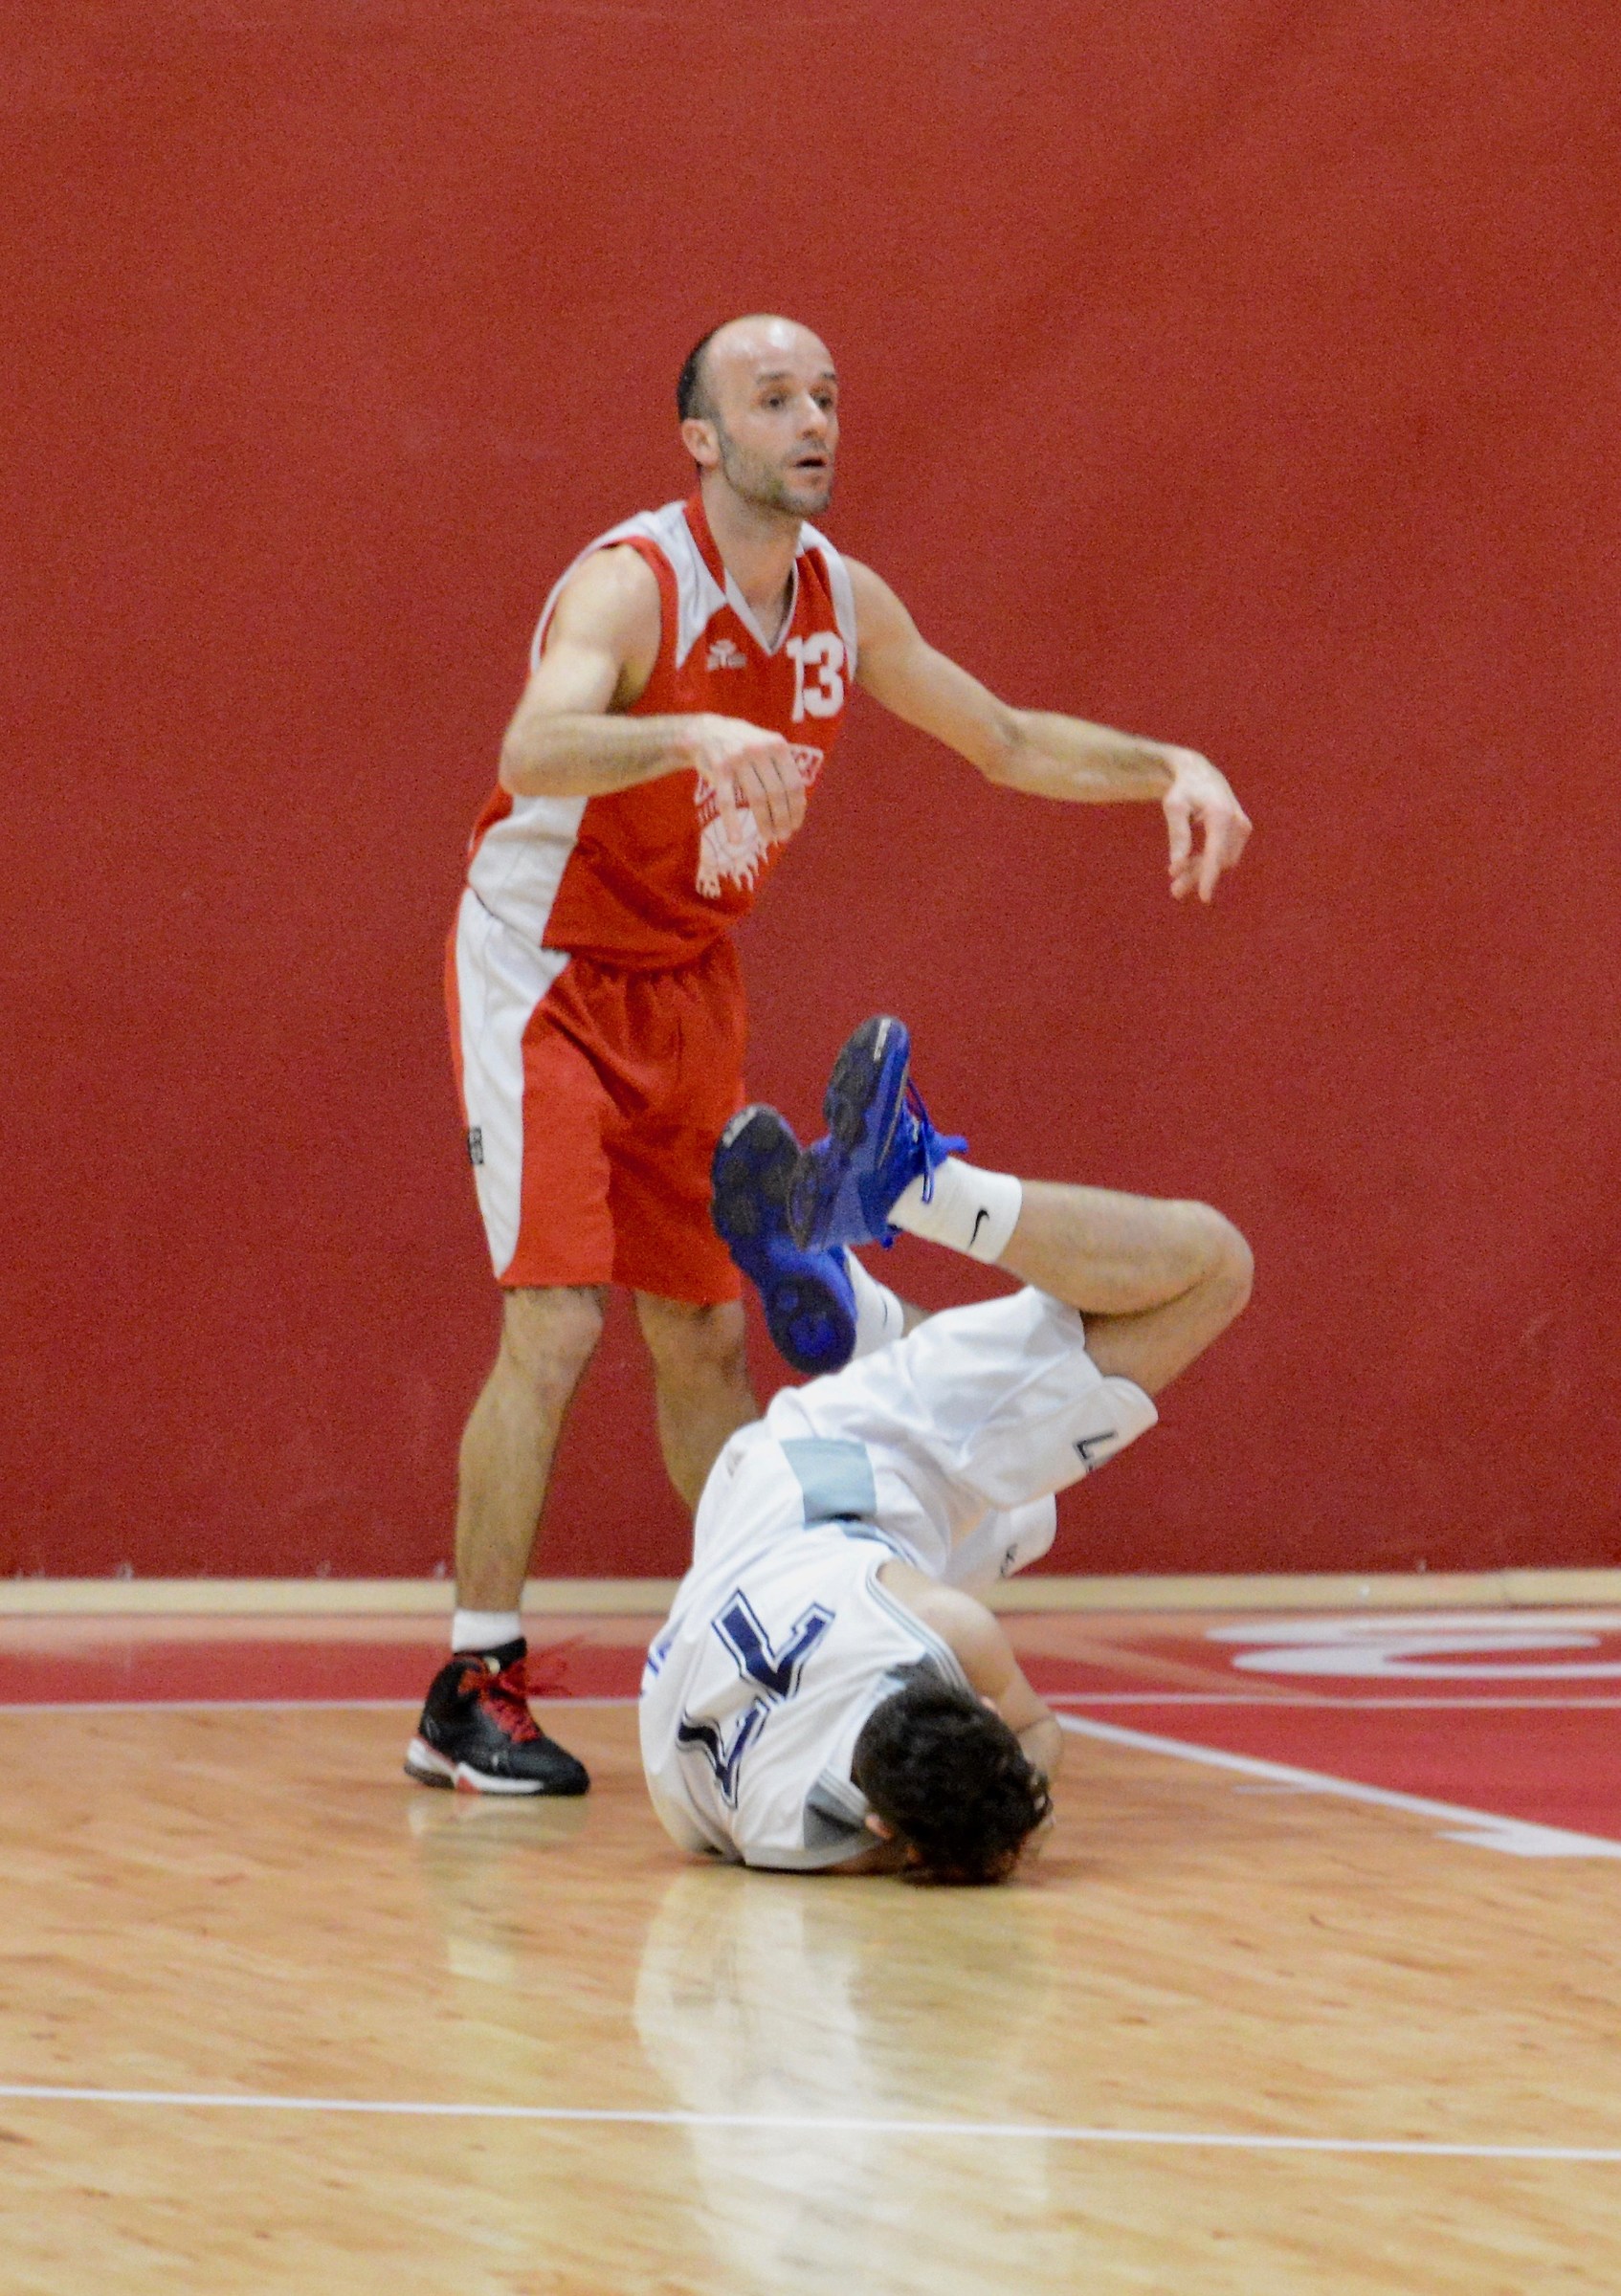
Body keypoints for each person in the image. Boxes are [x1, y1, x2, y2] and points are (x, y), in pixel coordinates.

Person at [407, 314, 1252, 1799]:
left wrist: (1164, 767)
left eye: (827, 398)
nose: (812, 420)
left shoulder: (840, 603)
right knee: (553, 1323)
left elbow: (997, 737)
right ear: (701, 437)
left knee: (707, 1336)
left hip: (685, 976)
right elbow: (532, 752)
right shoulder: (632, 581)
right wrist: (679, 737)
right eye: (774, 397)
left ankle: (749, 1624)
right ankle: (469, 1685)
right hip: (544, 969)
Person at [639, 1016, 1253, 1879]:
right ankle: (870, 1322)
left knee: (1209, 1270)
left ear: (889, 1837)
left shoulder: (942, 1633)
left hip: (837, 1470)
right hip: (735, 1559)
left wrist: (1010, 1830)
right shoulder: (796, 1832)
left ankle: (916, 1187)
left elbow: (1037, 1731)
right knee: (1025, 1509)